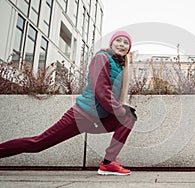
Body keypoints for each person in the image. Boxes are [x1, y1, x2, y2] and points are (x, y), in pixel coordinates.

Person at [0, 31, 137, 176]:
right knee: (38, 144)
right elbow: (101, 91)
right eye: (118, 41)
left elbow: (116, 94)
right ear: (111, 43)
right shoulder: (101, 58)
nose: (121, 44)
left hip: (99, 117)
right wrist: (119, 111)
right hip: (82, 116)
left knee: (129, 117)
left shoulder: (119, 65)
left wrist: (124, 109)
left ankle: (108, 163)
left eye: (126, 42)